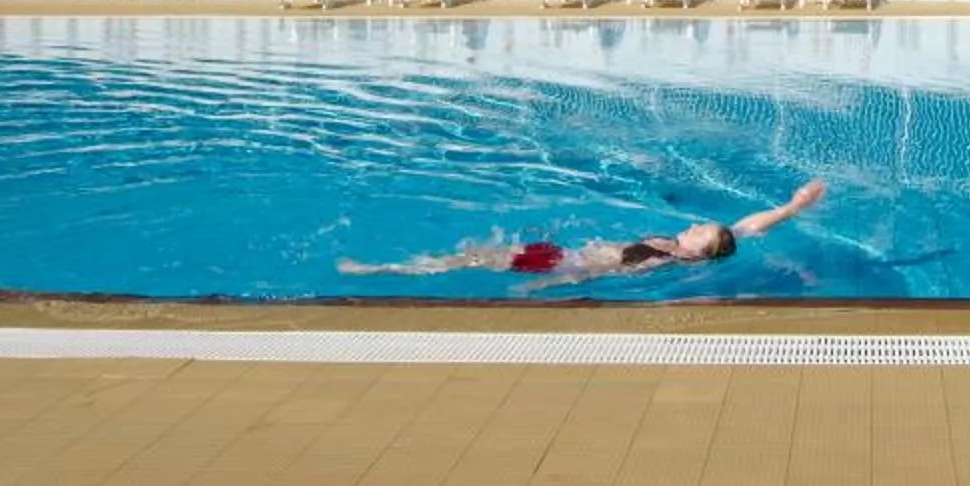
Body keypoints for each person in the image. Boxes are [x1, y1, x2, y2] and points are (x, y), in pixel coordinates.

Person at [341, 179, 828, 286]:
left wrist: (547, 282)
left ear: (705, 250)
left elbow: (596, 274)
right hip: (559, 252)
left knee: (470, 259)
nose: (699, 223)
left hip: (561, 263)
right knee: (473, 251)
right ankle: (397, 266)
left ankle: (385, 269)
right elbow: (746, 225)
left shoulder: (672, 259)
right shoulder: (693, 246)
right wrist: (793, 205)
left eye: (705, 229)